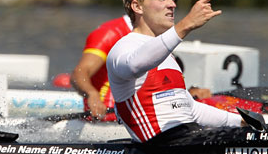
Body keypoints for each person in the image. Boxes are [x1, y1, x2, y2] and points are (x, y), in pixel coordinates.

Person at [106, 0, 243, 143]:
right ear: (137, 7)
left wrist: (239, 121)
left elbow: (190, 108)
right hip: (159, 147)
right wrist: (185, 25)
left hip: (188, 140)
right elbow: (134, 65)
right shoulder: (123, 48)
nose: (172, 5)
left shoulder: (166, 55)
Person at [71, 15, 212, 122]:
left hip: (147, 114)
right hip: (107, 117)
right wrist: (92, 95)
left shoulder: (160, 36)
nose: (171, 6)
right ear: (138, 6)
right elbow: (79, 73)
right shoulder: (110, 33)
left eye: (172, 0)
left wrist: (188, 94)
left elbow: (151, 85)